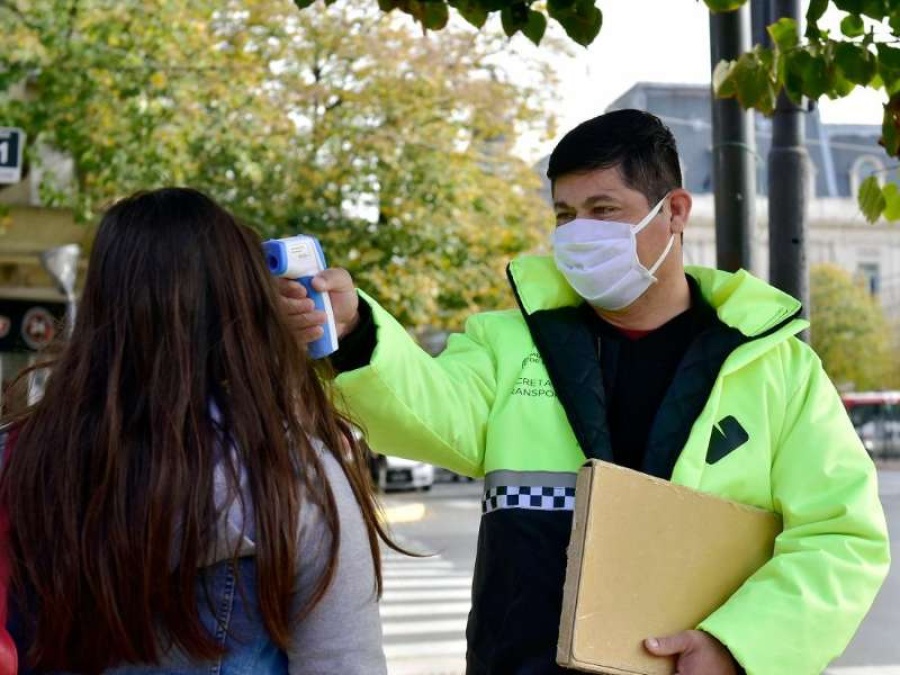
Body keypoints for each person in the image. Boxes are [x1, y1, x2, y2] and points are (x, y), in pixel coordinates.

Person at [280, 109, 891, 675]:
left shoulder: (776, 368)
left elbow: (841, 537)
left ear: (675, 212)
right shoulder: (511, 343)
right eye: (565, 215)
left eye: (604, 210)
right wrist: (354, 329)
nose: (579, 234)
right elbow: (427, 408)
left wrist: (737, 646)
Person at [0, 188, 390, 675]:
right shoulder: (291, 477)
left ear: (100, 303)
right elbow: (344, 661)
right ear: (244, 309)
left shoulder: (18, 458)